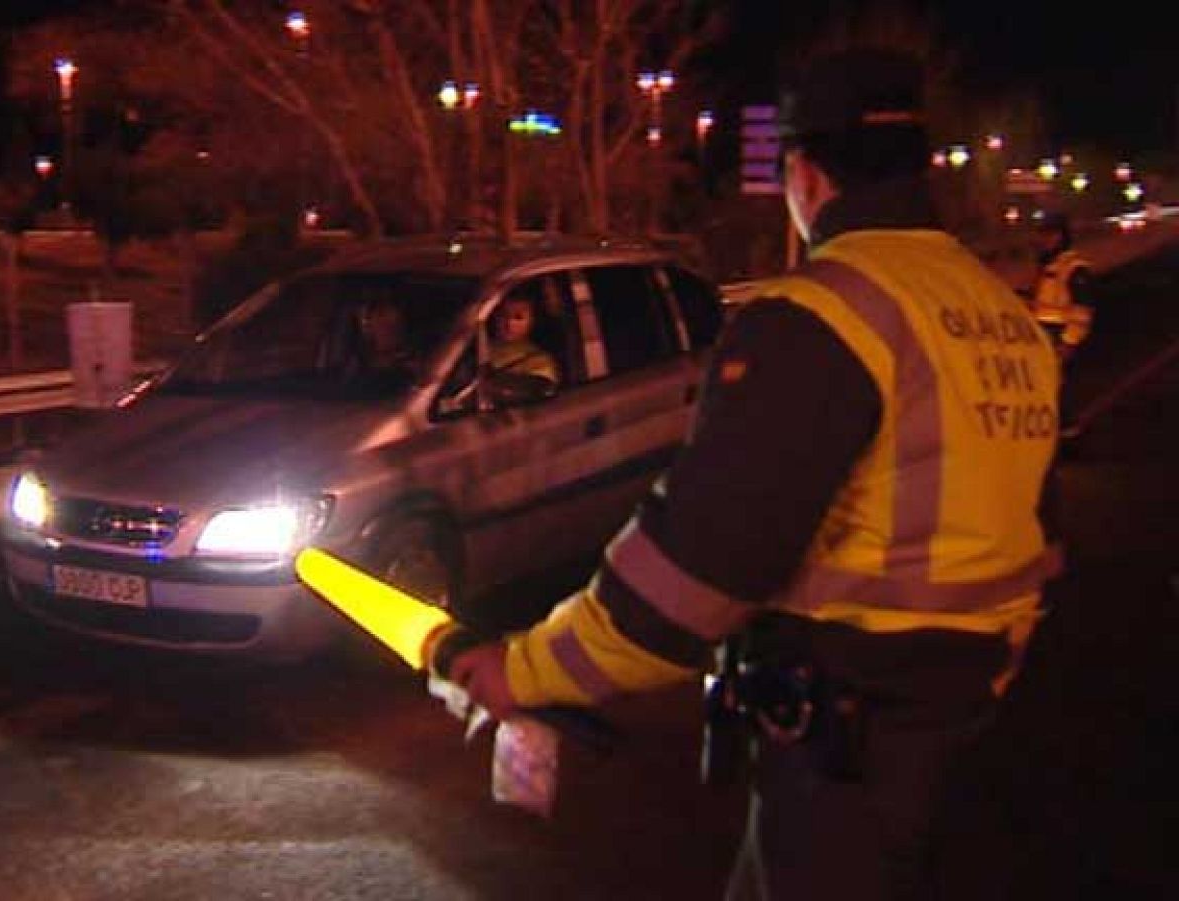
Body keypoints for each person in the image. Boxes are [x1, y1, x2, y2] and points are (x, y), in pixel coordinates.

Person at [448, 47, 1061, 900]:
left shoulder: (821, 316)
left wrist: (524, 670)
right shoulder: (1001, 315)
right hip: (962, 719)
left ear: (805, 175)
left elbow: (696, 570)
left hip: (848, 745)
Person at [1028, 211, 1095, 360]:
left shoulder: (1074, 267)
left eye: (1050, 235)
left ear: (1062, 237)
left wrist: (1069, 341)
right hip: (1043, 332)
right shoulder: (1048, 265)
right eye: (1042, 234)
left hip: (1059, 333)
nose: (1043, 240)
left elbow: (1082, 310)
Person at [488, 294, 561, 388]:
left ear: (531, 321)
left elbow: (540, 390)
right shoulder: (479, 349)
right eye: (503, 316)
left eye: (518, 317)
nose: (509, 323)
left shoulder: (539, 360)